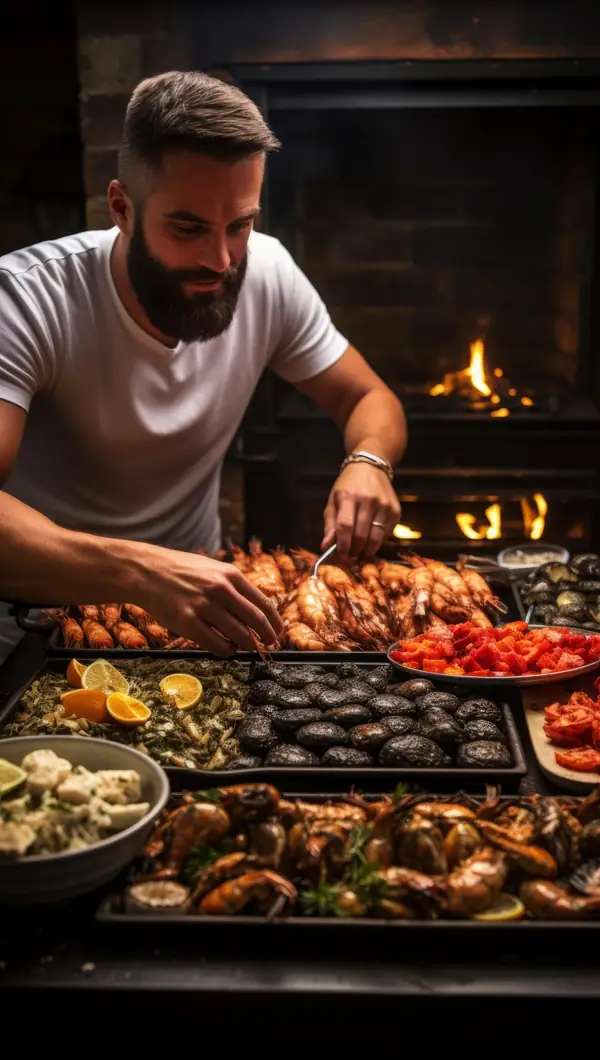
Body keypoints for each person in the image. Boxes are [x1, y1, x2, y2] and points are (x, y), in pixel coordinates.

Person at [0, 70, 406, 660]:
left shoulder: (266, 271)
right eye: (188, 227)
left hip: (207, 623)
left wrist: (369, 461)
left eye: (240, 225)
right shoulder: (26, 299)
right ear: (122, 208)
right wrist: (141, 571)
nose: (220, 260)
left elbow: (369, 399)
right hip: (45, 632)